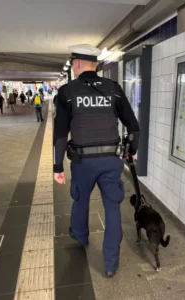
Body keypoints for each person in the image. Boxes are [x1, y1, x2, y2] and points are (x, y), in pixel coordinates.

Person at [53, 44, 140, 278]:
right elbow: (133, 127)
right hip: (111, 161)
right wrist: (132, 150)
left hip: (83, 162)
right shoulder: (113, 89)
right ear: (96, 64)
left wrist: (57, 167)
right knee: (112, 209)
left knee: (80, 201)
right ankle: (111, 264)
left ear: (77, 63)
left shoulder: (67, 92)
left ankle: (81, 236)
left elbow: (60, 133)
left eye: (72, 64)